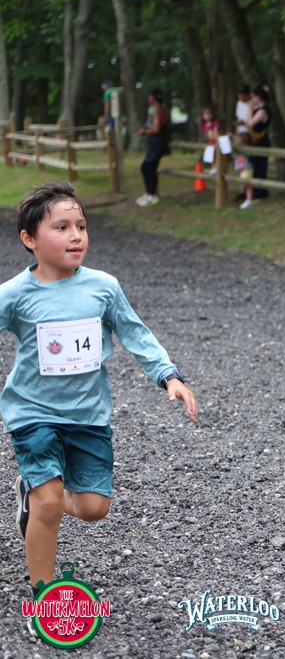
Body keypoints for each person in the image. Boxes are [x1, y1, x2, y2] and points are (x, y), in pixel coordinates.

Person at [3, 182, 197, 621]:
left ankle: (34, 493)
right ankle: (43, 600)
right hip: (32, 412)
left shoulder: (103, 287)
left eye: (81, 226)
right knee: (49, 504)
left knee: (94, 508)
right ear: (30, 239)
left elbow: (135, 333)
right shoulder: (15, 293)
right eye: (61, 227)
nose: (76, 236)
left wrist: (169, 376)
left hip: (88, 415)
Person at [136, 89, 170, 207]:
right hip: (153, 142)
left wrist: (144, 132)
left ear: (154, 97)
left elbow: (156, 129)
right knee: (147, 167)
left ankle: (152, 194)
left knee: (149, 167)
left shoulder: (158, 111)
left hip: (157, 142)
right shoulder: (155, 110)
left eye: (150, 96)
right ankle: (148, 192)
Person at [242, 85, 271, 209]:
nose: (251, 99)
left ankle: (260, 193)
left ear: (259, 97)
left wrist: (249, 109)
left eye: (253, 96)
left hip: (261, 141)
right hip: (256, 141)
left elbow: (251, 123)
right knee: (255, 166)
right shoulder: (258, 110)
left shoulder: (262, 111)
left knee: (260, 167)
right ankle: (254, 192)